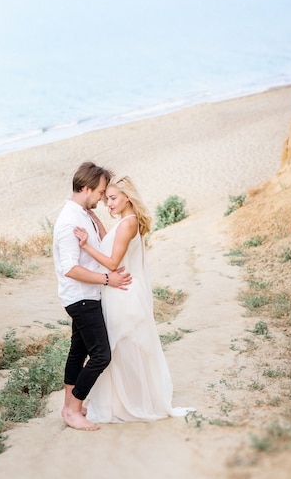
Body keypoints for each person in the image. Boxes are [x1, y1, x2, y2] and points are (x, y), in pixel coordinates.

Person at [74, 176, 195, 422]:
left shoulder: (128, 223)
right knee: (122, 349)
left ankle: (133, 402)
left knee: (124, 347)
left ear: (127, 197)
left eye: (113, 198)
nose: (108, 203)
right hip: (120, 292)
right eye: (106, 199)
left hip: (123, 293)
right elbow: (113, 244)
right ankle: (127, 400)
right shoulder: (126, 222)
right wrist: (96, 220)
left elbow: (112, 262)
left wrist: (85, 245)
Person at [53, 162, 132, 431]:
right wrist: (108, 279)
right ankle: (73, 409)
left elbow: (99, 244)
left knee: (78, 351)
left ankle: (68, 406)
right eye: (99, 192)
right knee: (101, 355)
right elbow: (70, 269)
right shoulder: (69, 221)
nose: (102, 197)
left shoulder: (82, 213)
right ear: (85, 188)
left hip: (88, 295)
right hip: (81, 297)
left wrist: (95, 216)